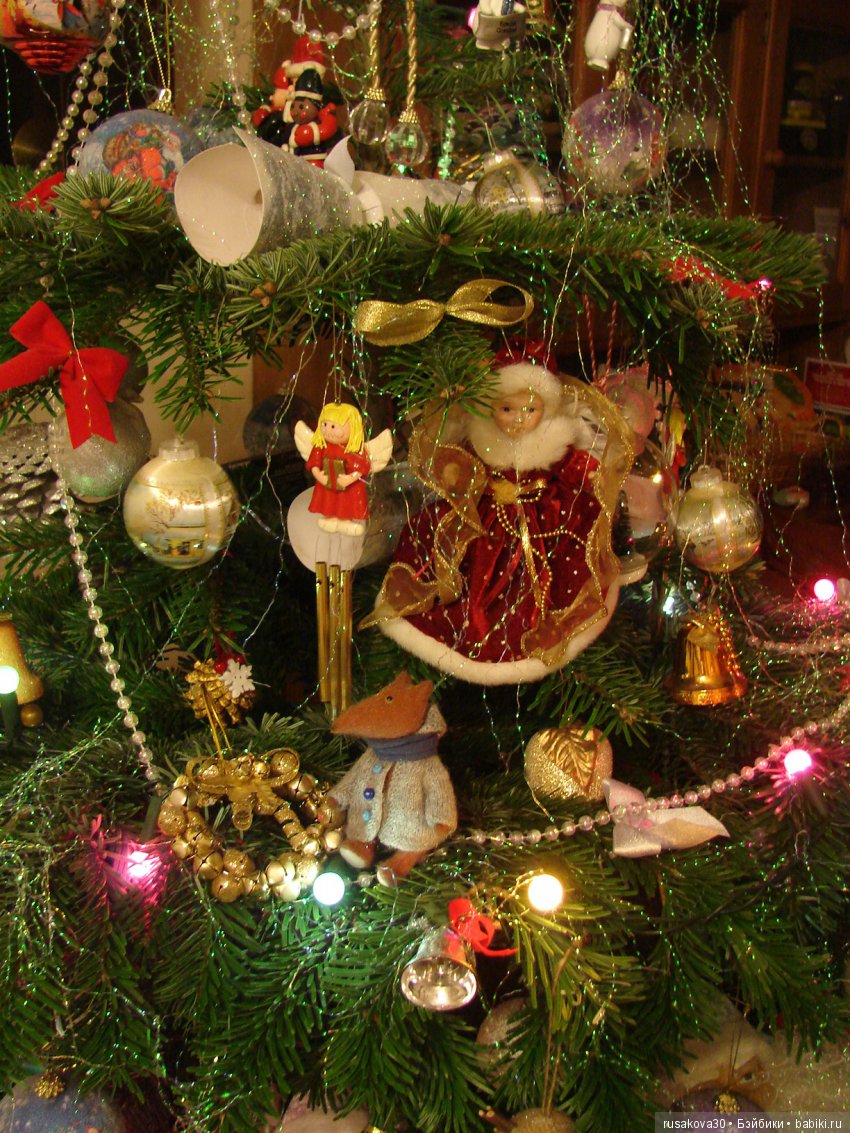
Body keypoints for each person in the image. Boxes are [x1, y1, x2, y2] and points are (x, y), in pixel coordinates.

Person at [364, 356, 634, 684]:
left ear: (546, 410)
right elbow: (456, 466)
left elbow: (581, 470)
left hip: (548, 518)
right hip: (487, 520)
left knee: (567, 564)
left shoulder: (557, 443)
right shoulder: (480, 440)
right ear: (491, 408)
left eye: (530, 410)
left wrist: (592, 478)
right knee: (468, 574)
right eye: (507, 409)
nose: (518, 419)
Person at [303, 403, 371, 535]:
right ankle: (330, 519)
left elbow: (362, 467)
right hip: (328, 483)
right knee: (329, 501)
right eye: (325, 425)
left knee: (346, 503)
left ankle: (346, 522)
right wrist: (318, 475)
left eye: (333, 426)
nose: (328, 430)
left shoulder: (355, 448)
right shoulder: (321, 446)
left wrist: (350, 478)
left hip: (347, 486)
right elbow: (314, 463)